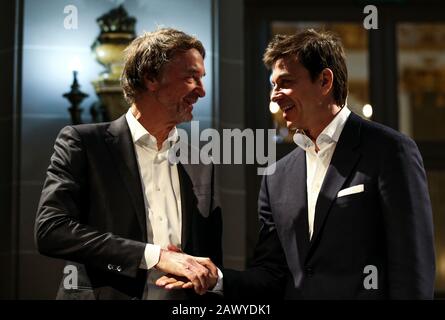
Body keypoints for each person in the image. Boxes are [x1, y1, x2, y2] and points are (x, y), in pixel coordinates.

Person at [157, 29, 436, 299]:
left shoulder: (390, 151)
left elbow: (412, 268)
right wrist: (216, 277)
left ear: (325, 81)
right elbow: (271, 274)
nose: (274, 95)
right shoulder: (276, 176)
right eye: (273, 86)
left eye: (285, 82)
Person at [35, 28, 222, 300]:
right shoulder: (84, 143)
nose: (201, 91)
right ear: (151, 78)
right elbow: (52, 230)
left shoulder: (200, 161)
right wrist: (154, 256)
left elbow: (209, 259)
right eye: (190, 78)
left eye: (201, 79)